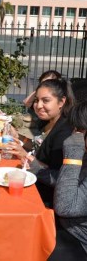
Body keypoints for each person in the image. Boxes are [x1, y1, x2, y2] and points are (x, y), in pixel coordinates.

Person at [7, 78, 74, 207]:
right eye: (37, 100)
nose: (38, 105)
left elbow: (57, 175)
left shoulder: (64, 132)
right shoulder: (49, 121)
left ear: (62, 102)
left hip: (44, 197)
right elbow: (38, 145)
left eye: (46, 100)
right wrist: (19, 137)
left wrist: (25, 156)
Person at [49, 101, 87, 260]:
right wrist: (35, 168)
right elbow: (70, 182)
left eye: (79, 130)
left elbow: (65, 206)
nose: (74, 134)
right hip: (66, 227)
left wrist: (72, 154)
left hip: (79, 240)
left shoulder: (77, 148)